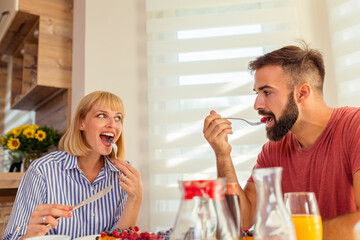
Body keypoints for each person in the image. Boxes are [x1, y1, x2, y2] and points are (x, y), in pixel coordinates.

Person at [203, 43, 360, 240]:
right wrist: (222, 155)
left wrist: (292, 236)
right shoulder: (273, 150)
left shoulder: (355, 128)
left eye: (266, 92)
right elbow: (243, 218)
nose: (257, 104)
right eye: (257, 93)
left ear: (302, 93)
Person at [3, 91, 143, 240]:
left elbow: (119, 236)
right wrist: (29, 236)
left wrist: (135, 198)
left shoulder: (122, 175)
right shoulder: (42, 170)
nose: (112, 124)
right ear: (81, 123)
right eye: (102, 115)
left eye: (118, 118)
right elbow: (12, 237)